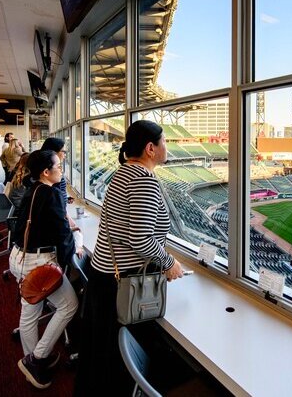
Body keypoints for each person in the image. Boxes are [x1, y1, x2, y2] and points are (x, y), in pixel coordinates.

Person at [74, 120, 184, 396]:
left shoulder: (122, 173)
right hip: (120, 286)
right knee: (114, 369)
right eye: (164, 142)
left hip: (104, 279)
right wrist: (170, 263)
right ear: (151, 148)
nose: (166, 147)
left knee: (99, 360)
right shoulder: (143, 180)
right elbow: (141, 239)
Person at [9, 150, 79, 389]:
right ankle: (37, 357)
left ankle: (34, 362)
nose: (62, 169)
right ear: (46, 172)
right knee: (69, 305)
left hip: (18, 257)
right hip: (37, 263)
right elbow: (62, 232)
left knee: (30, 312)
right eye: (58, 166)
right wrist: (74, 248)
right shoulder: (50, 194)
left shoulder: (33, 190)